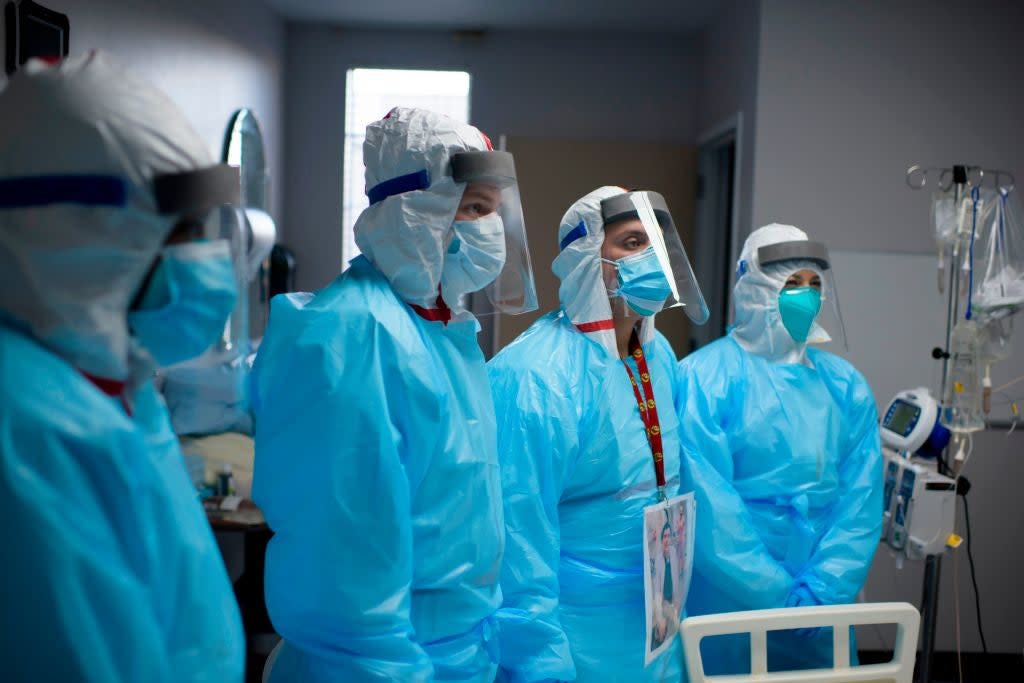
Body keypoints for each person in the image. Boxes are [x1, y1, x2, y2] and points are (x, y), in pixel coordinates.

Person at [252, 106, 537, 682]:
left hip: (456, 651)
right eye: (474, 207)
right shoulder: (353, 334)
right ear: (417, 210)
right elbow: (344, 564)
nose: (489, 229)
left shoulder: (444, 331)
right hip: (379, 663)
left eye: (494, 211)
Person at [0, 52, 245, 681]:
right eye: (186, 229)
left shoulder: (114, 384)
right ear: (85, 234)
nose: (208, 259)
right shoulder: (29, 422)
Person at [490, 186, 708, 682]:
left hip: (655, 620)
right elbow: (516, 538)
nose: (652, 257)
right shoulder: (534, 377)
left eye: (656, 242)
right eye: (632, 242)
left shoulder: (658, 355)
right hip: (574, 635)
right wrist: (540, 662)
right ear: (587, 259)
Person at [675, 223, 882, 674]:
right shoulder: (704, 379)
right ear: (754, 287)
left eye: (814, 284)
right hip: (729, 595)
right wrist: (774, 594)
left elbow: (860, 503)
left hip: (822, 597)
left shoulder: (845, 385)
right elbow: (709, 505)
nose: (806, 296)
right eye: (791, 283)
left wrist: (825, 587)